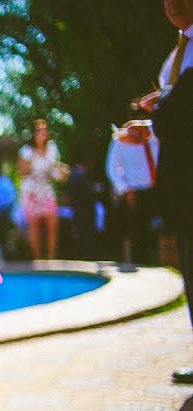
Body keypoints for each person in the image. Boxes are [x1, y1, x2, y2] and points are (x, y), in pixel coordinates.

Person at [141, 0, 193, 384]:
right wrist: (151, 120)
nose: (173, 2)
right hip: (181, 179)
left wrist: (160, 115)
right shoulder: (173, 56)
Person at [105, 119, 160, 264]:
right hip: (133, 191)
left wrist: (147, 129)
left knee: (155, 229)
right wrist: (125, 189)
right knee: (134, 231)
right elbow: (112, 168)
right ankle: (135, 261)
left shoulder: (154, 139)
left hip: (156, 190)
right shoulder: (120, 141)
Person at [18, 119, 68, 260]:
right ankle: (38, 259)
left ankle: (51, 258)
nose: (43, 133)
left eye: (45, 130)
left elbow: (54, 168)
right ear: (33, 134)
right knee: (34, 226)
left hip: (46, 189)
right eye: (39, 130)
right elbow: (22, 171)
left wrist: (62, 171)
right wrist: (35, 158)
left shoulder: (52, 148)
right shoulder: (26, 151)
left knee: (52, 223)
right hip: (31, 190)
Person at [66, 157, 102, 261]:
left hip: (77, 209)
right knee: (87, 234)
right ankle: (87, 256)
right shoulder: (79, 175)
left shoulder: (72, 175)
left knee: (81, 234)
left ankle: (82, 256)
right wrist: (95, 190)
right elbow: (88, 193)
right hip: (85, 210)